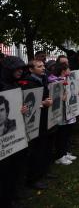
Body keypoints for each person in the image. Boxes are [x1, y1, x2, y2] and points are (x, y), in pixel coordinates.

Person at [0, 56, 30, 207]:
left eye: (21, 69)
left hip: (15, 135)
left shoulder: (14, 84)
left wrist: (22, 109)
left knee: (15, 167)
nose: (20, 71)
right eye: (17, 69)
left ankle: (12, 195)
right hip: (3, 141)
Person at [21, 59, 54, 191]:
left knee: (43, 147)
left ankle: (42, 172)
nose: (43, 68)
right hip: (34, 122)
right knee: (35, 150)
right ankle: (32, 179)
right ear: (31, 69)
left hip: (44, 119)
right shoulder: (27, 83)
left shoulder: (43, 78)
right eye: (39, 66)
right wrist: (43, 103)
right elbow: (28, 103)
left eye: (43, 66)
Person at [48, 63, 77, 166]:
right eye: (68, 68)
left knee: (66, 134)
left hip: (68, 112)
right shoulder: (54, 81)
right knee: (61, 135)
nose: (70, 70)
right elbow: (55, 97)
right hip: (60, 114)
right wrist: (62, 97)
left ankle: (64, 153)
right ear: (63, 71)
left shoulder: (65, 79)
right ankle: (59, 156)